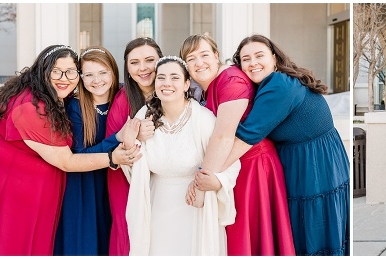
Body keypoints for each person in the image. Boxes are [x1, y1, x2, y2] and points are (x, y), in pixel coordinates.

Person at [0, 45, 139, 256]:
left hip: (23, 183)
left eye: (70, 72)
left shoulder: (53, 97)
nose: (64, 77)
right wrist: (113, 156)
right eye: (56, 71)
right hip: (7, 185)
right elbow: (67, 161)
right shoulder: (31, 108)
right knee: (12, 244)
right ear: (43, 71)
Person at [196, 34, 350, 256]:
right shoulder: (268, 83)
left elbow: (248, 135)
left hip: (313, 162)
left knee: (315, 227)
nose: (253, 63)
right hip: (308, 156)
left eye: (259, 56)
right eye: (246, 59)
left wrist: (213, 174)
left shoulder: (278, 85)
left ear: (275, 59)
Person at [179, 34, 295, 256]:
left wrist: (202, 182)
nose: (199, 63)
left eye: (204, 55)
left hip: (253, 168)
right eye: (191, 59)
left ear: (216, 55)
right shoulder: (202, 89)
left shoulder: (231, 80)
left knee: (248, 238)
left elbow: (224, 136)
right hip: (230, 167)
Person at [123, 56, 241, 255]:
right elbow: (133, 166)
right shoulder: (144, 116)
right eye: (161, 78)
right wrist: (129, 140)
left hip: (194, 208)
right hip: (156, 205)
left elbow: (229, 162)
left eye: (174, 77)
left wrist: (217, 181)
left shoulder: (203, 119)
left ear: (187, 84)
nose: (167, 83)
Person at [54, 46, 137, 255]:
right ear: (80, 77)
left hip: (116, 183)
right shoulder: (75, 106)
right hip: (84, 185)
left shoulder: (124, 97)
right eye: (88, 74)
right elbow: (78, 156)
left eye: (102, 73)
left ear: (113, 72)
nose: (96, 80)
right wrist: (116, 139)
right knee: (87, 242)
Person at [105, 37, 163, 255]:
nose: (143, 68)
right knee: (130, 232)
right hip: (126, 179)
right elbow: (114, 147)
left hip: (164, 178)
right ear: (127, 70)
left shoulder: (173, 91)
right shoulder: (122, 102)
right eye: (134, 62)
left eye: (150, 60)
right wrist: (134, 137)